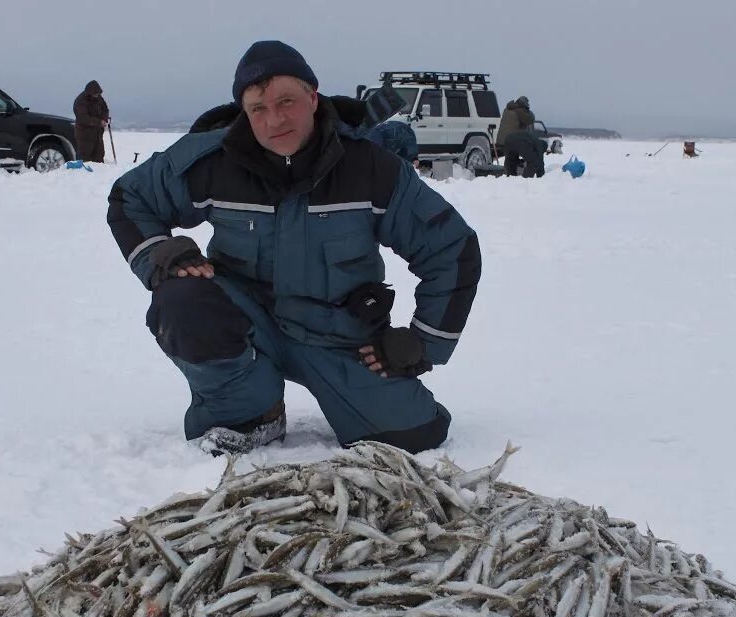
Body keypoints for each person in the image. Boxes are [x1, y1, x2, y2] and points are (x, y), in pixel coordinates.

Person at [107, 40, 481, 455]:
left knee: (413, 436)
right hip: (247, 322)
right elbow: (130, 198)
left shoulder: (371, 168)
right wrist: (162, 252)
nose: (274, 120)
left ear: (313, 96)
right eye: (258, 109)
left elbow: (452, 248)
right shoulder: (212, 162)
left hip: (339, 336)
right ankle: (252, 412)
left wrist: (422, 343)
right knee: (181, 298)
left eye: (286, 101)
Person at [73, 81, 109, 162]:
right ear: (90, 93)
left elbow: (105, 109)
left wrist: (104, 119)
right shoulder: (81, 101)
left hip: (98, 134)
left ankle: (100, 174)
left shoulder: (99, 98)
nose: (97, 95)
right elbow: (83, 118)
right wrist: (99, 122)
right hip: (84, 135)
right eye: (95, 94)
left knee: (99, 158)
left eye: (98, 93)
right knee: (85, 161)